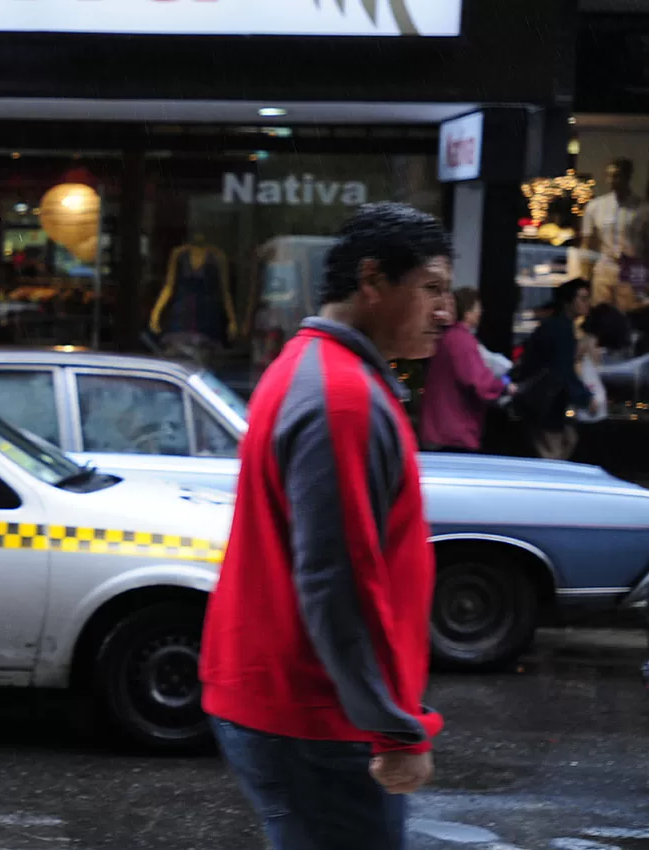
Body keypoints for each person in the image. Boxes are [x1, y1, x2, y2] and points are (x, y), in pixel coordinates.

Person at [200, 202, 451, 850]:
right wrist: (394, 728)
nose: (446, 313)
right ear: (373, 280)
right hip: (317, 716)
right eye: (432, 288)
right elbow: (338, 579)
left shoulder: (316, 369)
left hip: (302, 705)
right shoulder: (341, 396)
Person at [513, 278, 598, 460]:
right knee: (553, 453)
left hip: (544, 403)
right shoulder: (560, 329)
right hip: (546, 404)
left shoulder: (557, 327)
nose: (586, 303)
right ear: (569, 301)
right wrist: (585, 398)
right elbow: (563, 370)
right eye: (583, 298)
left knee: (567, 440)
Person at [419, 288, 512, 452]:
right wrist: (504, 386)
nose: (480, 313)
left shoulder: (449, 337)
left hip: (441, 429)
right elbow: (477, 380)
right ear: (467, 311)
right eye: (477, 308)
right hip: (454, 432)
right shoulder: (462, 340)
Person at [581, 157, 643, 310]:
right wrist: (584, 278)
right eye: (609, 176)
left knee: (629, 314)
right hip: (604, 266)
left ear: (628, 177)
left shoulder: (641, 208)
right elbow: (587, 243)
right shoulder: (595, 206)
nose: (612, 181)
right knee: (602, 314)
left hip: (631, 268)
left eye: (617, 176)